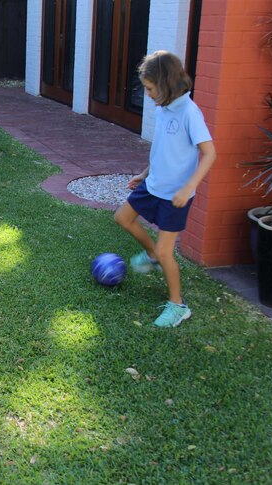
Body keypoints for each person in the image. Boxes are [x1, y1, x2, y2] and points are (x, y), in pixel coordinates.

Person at [114, 50, 217, 328]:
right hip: (153, 185)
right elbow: (162, 150)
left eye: (149, 88)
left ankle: (178, 305)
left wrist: (189, 187)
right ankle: (151, 255)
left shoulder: (189, 113)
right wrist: (144, 174)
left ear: (165, 83)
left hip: (175, 195)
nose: (146, 94)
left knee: (165, 252)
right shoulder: (162, 109)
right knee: (122, 218)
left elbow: (209, 153)